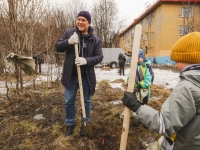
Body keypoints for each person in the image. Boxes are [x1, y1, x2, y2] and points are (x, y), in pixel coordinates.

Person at [122, 32, 200, 149]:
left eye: (177, 60)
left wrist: (137, 105)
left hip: (179, 145)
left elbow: (165, 124)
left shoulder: (188, 88)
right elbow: (131, 76)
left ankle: (142, 120)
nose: (175, 65)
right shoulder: (194, 84)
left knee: (142, 104)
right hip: (186, 140)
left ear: (189, 58)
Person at [55, 10, 103, 136]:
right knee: (69, 101)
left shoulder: (95, 39)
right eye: (79, 19)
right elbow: (58, 46)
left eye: (83, 20)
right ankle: (70, 123)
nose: (80, 22)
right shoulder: (69, 33)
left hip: (86, 77)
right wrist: (68, 42)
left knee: (86, 101)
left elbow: (99, 57)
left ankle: (85, 123)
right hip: (70, 76)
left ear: (89, 23)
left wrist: (86, 60)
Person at [120, 49, 152, 126]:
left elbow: (148, 81)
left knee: (144, 106)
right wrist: (128, 82)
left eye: (137, 58)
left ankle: (145, 122)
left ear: (141, 57)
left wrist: (139, 84)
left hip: (143, 92)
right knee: (137, 106)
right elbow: (130, 76)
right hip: (135, 91)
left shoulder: (146, 66)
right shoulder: (134, 66)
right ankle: (139, 120)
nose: (135, 60)